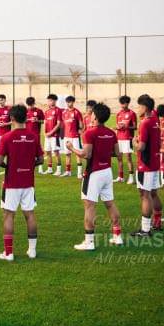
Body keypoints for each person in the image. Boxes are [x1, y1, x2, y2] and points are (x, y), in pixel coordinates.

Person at [66, 102, 124, 249]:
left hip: (94, 173)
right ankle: (117, 236)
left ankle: (89, 242)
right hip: (107, 172)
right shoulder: (111, 133)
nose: (90, 114)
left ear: (95, 116)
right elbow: (117, 153)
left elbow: (86, 154)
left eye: (92, 113)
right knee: (110, 203)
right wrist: (103, 153)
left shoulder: (90, 133)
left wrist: (71, 148)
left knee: (89, 206)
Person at [0, 104, 43, 261]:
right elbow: (40, 159)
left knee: (9, 215)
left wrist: (8, 166)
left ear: (12, 118)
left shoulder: (6, 137)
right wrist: (29, 166)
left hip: (11, 183)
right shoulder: (33, 136)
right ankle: (33, 250)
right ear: (26, 117)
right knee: (30, 215)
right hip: (28, 182)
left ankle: (8, 253)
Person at [131, 94, 163, 237]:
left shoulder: (145, 123)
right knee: (153, 193)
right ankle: (157, 222)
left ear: (144, 107)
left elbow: (141, 147)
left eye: (139, 106)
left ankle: (145, 229)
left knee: (145, 194)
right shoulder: (155, 120)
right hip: (155, 163)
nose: (137, 109)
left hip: (146, 164)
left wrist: (134, 142)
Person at [114, 95, 136, 184]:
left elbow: (135, 127)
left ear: (128, 103)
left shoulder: (132, 113)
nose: (123, 105)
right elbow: (117, 125)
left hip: (127, 138)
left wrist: (127, 127)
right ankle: (120, 176)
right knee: (119, 158)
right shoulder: (118, 114)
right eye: (121, 104)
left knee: (128, 158)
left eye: (125, 103)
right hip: (119, 138)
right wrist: (117, 127)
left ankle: (131, 177)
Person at [61, 95, 84, 178]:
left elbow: (81, 125)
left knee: (77, 154)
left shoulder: (77, 112)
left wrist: (80, 129)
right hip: (67, 136)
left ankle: (79, 173)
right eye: (67, 102)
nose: (68, 103)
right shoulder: (64, 112)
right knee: (67, 154)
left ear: (73, 102)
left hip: (75, 136)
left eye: (70, 102)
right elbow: (63, 124)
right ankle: (68, 171)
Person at [43, 94, 63, 175]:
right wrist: (44, 133)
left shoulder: (58, 110)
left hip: (55, 135)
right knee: (47, 152)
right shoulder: (47, 111)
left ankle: (58, 170)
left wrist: (51, 132)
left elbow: (58, 124)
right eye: (48, 100)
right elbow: (45, 123)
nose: (49, 102)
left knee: (56, 152)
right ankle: (50, 168)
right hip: (47, 136)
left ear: (55, 101)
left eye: (51, 100)